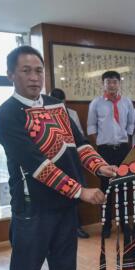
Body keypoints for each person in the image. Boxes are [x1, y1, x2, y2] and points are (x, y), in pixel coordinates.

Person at [0, 46, 117, 270]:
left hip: (64, 210)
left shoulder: (56, 105)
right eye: (26, 71)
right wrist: (81, 192)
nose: (34, 77)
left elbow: (81, 145)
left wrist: (101, 167)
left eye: (38, 70)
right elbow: (37, 166)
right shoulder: (6, 115)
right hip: (31, 212)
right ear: (11, 75)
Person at [87, 70, 135, 238]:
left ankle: (123, 224)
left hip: (123, 149)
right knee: (106, 189)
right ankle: (106, 224)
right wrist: (99, 147)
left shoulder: (127, 102)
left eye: (115, 82)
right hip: (104, 151)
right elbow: (92, 127)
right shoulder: (96, 103)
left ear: (119, 83)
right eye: (108, 82)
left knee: (122, 187)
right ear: (104, 84)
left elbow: (130, 125)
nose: (112, 85)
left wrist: (126, 141)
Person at [50, 88, 90, 239]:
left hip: (72, 157)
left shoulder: (71, 113)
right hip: (54, 162)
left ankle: (77, 226)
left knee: (75, 193)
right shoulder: (43, 113)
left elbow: (80, 135)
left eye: (60, 102)